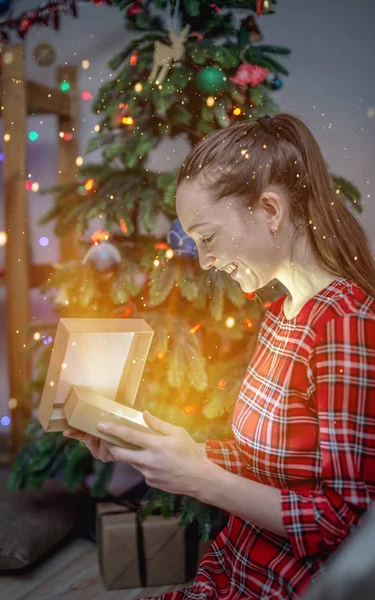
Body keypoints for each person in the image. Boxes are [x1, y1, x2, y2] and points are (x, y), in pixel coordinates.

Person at [63, 113, 375, 599]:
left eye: (206, 236)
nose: (204, 260)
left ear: (270, 210)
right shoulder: (282, 312)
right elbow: (268, 469)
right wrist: (159, 447)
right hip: (233, 570)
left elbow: (341, 524)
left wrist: (199, 477)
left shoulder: (345, 325)